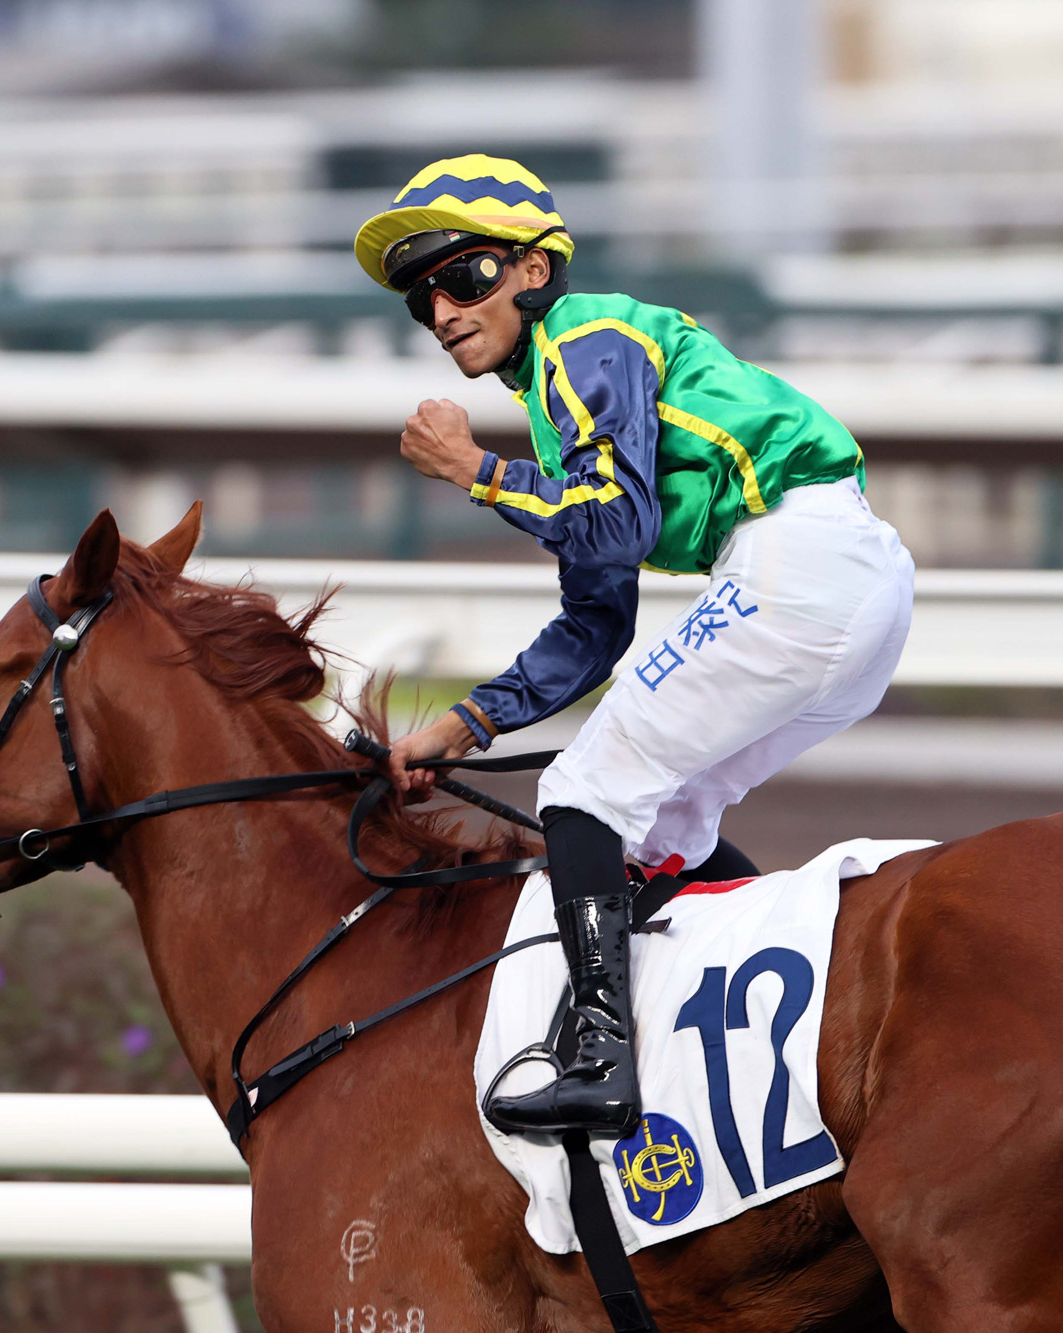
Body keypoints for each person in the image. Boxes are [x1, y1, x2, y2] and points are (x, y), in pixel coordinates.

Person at [354, 155, 916, 1138]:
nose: (441, 309)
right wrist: (465, 723)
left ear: (532, 270)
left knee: (578, 792)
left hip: (797, 564)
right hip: (842, 584)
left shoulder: (588, 338)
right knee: (658, 822)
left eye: (464, 275)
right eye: (420, 297)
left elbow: (612, 526)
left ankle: (600, 1061)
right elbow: (594, 620)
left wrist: (475, 472)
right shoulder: (557, 389)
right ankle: (744, 1027)